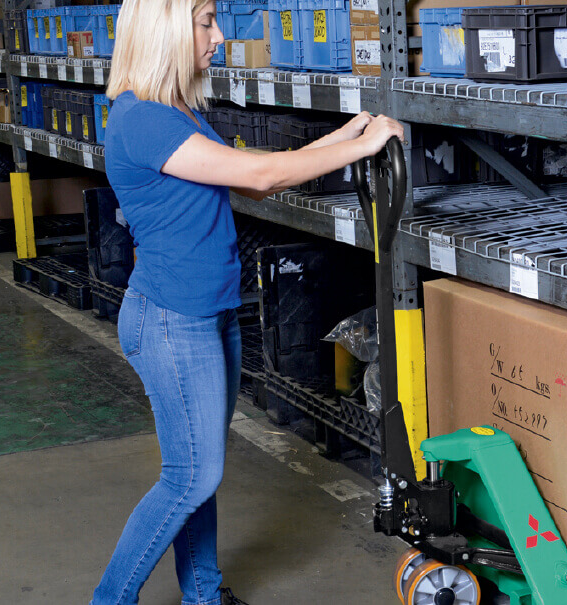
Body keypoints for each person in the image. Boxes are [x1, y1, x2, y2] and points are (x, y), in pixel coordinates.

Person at [92, 0, 405, 603]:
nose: (219, 36)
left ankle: (203, 595)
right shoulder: (143, 121)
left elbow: (242, 172)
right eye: (205, 21)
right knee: (191, 474)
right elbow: (263, 180)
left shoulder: (175, 110)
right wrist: (361, 149)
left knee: (198, 474)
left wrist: (343, 134)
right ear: (165, 28)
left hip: (208, 315)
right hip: (170, 323)